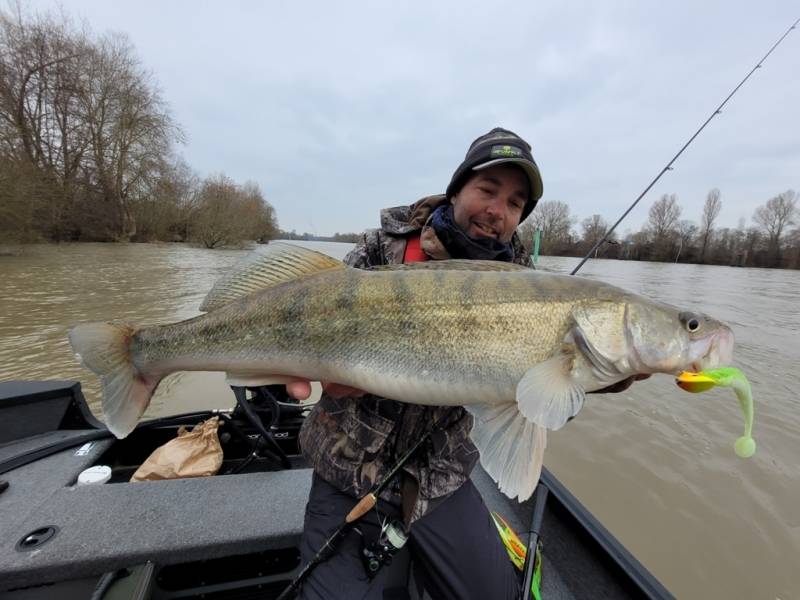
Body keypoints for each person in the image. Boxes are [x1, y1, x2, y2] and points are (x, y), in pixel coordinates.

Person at [285, 128, 638, 600]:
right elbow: (307, 308)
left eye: (515, 203)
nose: (498, 210)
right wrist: (319, 376)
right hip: (346, 468)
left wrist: (608, 376)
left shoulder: (532, 291)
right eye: (487, 190)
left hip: (441, 478)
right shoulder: (378, 251)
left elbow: (545, 403)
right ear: (457, 190)